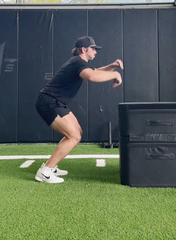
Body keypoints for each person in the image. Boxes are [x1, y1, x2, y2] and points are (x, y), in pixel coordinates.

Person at [33, 35, 123, 183]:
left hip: (55, 102)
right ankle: (45, 172)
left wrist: (112, 66)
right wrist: (115, 74)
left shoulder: (79, 63)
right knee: (73, 136)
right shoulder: (78, 62)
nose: (95, 52)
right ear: (84, 49)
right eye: (93, 49)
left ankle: (51, 166)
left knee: (77, 133)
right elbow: (92, 76)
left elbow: (95, 71)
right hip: (49, 102)